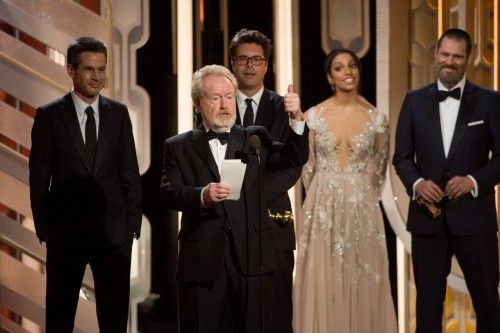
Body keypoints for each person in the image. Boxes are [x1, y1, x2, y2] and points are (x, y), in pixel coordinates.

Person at [160, 64, 308, 333]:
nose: (224, 104)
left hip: (253, 259)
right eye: (215, 98)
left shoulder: (255, 138)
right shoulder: (178, 146)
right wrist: (202, 195)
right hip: (203, 262)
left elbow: (293, 158)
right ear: (197, 103)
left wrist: (297, 118)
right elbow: (168, 192)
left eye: (229, 96)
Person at [29, 37, 142, 332]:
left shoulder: (118, 114)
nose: (97, 77)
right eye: (89, 69)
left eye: (102, 69)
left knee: (114, 322)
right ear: (71, 70)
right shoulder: (49, 116)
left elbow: (129, 171)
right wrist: (45, 228)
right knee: (59, 318)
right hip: (65, 234)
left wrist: (132, 225)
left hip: (114, 235)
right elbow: (39, 178)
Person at [393, 28, 500, 333]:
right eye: (445, 54)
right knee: (427, 308)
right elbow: (401, 157)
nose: (450, 62)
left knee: (489, 308)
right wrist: (416, 185)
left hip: (475, 219)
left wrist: (473, 181)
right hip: (428, 221)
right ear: (435, 55)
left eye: (457, 56)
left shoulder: (490, 101)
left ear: (468, 59)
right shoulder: (413, 101)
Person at [293, 48, 397, 333]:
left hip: (362, 207)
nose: (347, 71)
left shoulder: (378, 119)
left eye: (352, 65)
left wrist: (359, 195)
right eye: (338, 68)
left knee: (362, 277)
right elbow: (307, 166)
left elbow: (379, 168)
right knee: (323, 279)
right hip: (322, 206)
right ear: (330, 77)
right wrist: (321, 197)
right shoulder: (313, 116)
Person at [228, 28, 301, 332]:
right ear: (233, 63)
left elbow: (293, 162)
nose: (249, 65)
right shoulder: (217, 101)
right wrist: (236, 195)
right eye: (243, 59)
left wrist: (255, 193)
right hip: (230, 220)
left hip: (274, 218)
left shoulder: (285, 107)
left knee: (277, 310)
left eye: (256, 59)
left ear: (266, 66)